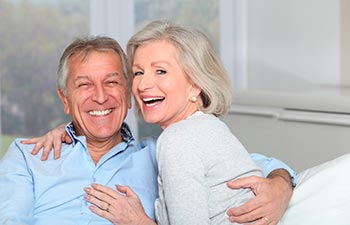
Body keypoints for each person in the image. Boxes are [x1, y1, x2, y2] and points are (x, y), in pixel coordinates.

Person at [20, 23, 295, 225]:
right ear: (65, 99)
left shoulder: (176, 141)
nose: (143, 84)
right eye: (138, 72)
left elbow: (267, 166)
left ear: (195, 85)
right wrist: (70, 129)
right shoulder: (207, 129)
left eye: (160, 71)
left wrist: (137, 221)